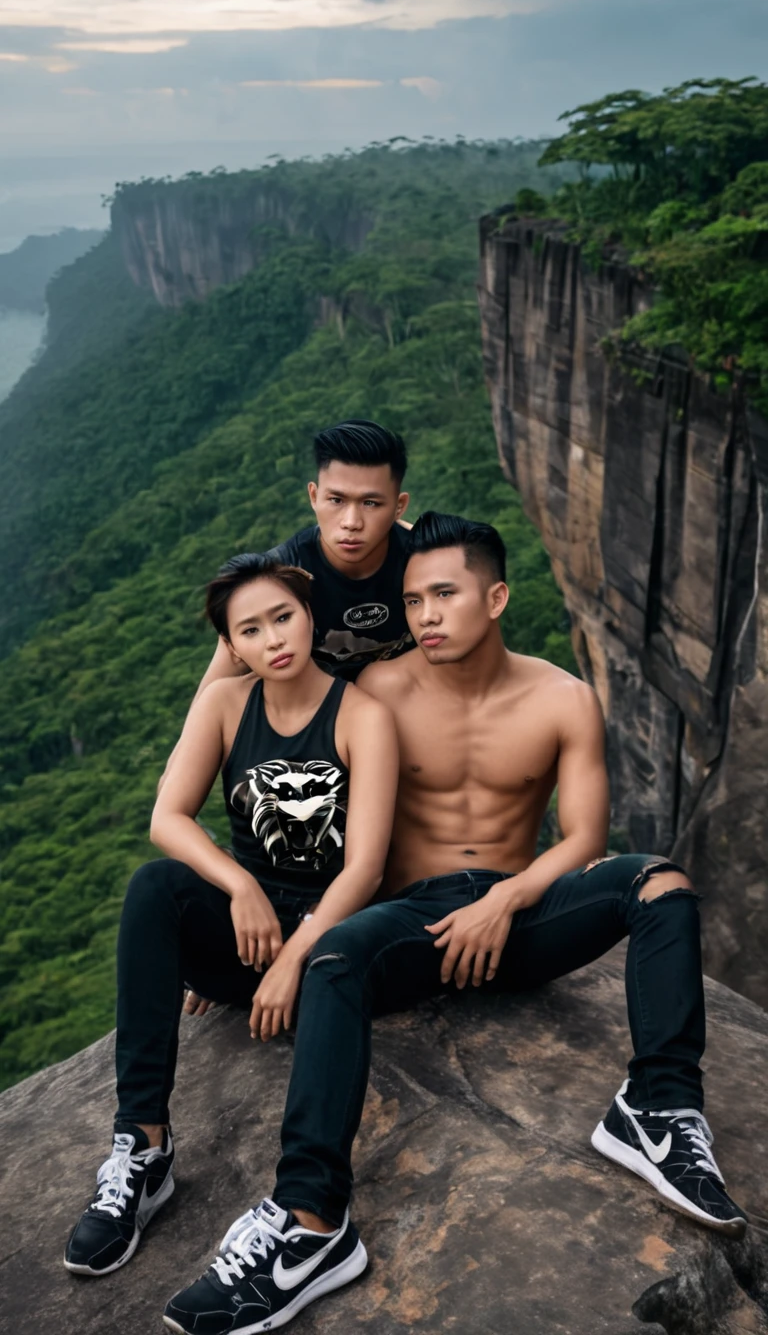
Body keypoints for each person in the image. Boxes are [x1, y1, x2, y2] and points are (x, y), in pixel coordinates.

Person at [161, 512, 747, 1335]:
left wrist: (505, 900)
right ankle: (310, 1222)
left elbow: (583, 838)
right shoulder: (376, 689)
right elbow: (256, 696)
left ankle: (656, 1108)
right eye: (411, 600)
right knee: (333, 958)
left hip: (520, 913)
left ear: (497, 596)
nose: (425, 615)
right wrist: (238, 932)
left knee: (660, 884)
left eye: (444, 594)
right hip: (409, 921)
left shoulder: (562, 698)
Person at [64, 553, 399, 1290]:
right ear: (233, 645)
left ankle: (303, 1218)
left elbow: (367, 869)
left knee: (331, 945)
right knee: (155, 889)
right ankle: (143, 1148)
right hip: (249, 936)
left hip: (330, 942)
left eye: (283, 616)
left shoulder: (362, 714)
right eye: (250, 629)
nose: (274, 638)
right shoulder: (224, 705)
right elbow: (166, 818)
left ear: (310, 616)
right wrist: (239, 884)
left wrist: (291, 958)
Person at [194, 418, 414, 690]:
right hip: (309, 719)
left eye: (371, 503)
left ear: (399, 506)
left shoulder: (428, 560)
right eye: (336, 500)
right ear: (314, 496)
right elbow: (214, 692)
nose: (351, 522)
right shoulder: (276, 578)